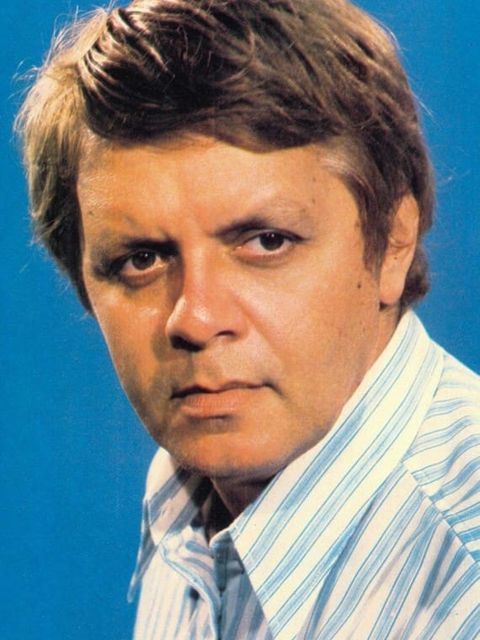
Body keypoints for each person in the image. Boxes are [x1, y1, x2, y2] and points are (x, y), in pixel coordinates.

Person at [17, 0, 480, 638]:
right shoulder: (190, 502)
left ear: (393, 243)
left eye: (266, 242)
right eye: (141, 260)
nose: (196, 318)